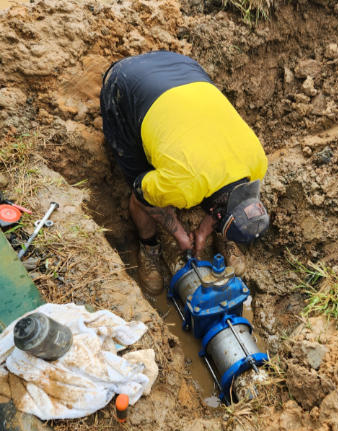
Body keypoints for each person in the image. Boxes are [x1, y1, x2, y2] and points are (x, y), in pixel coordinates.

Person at [100, 51, 269, 294]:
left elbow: (241, 196)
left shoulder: (257, 162)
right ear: (214, 211)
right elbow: (143, 195)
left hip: (182, 65)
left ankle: (227, 230)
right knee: (141, 191)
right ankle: (149, 246)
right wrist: (179, 234)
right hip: (125, 82)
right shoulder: (183, 186)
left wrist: (202, 231)